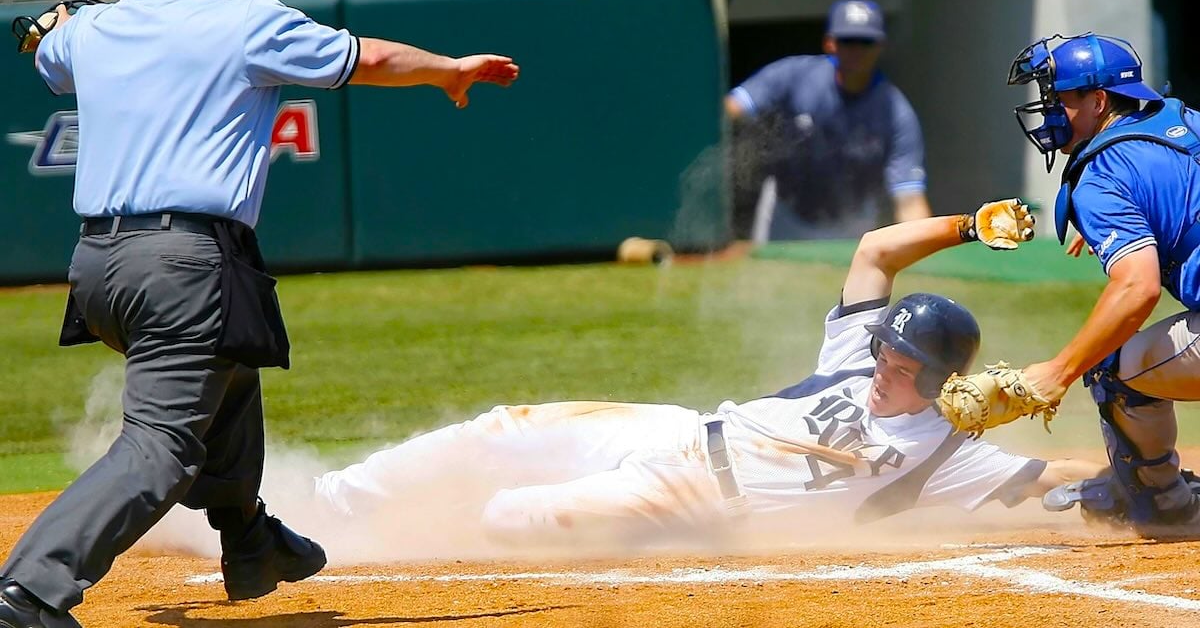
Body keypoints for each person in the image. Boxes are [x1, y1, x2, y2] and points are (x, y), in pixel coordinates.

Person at [0, 0, 519, 628]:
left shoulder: (93, 28)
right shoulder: (243, 20)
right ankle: (28, 589)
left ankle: (249, 540)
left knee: (230, 368)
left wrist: (59, 23)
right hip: (184, 261)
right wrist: (447, 70)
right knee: (161, 447)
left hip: (97, 267)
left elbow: (46, 48)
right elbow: (365, 57)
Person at [299, 199, 1100, 555]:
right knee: (499, 428)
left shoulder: (949, 454)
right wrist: (968, 225)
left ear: (939, 379)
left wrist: (1147, 474)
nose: (881, 370)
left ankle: (407, 533)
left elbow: (1056, 473)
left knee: (510, 516)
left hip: (694, 501)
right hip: (677, 429)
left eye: (901, 366)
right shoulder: (860, 357)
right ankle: (322, 507)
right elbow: (873, 251)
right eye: (883, 353)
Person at [1002, 32, 1200, 535]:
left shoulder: (1101, 176)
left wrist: (1060, 371)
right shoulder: (1186, 121)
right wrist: (1133, 223)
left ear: (1099, 100)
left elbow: (1138, 288)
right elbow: (1174, 194)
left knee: (1111, 366)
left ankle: (1163, 504)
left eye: (1060, 100)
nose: (1048, 111)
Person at [724, 0, 932, 243]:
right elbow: (732, 108)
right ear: (830, 43)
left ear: (881, 46)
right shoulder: (794, 75)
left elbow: (909, 199)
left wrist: (926, 255)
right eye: (848, 41)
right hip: (787, 215)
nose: (857, 50)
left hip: (853, 224)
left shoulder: (896, 113)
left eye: (866, 42)